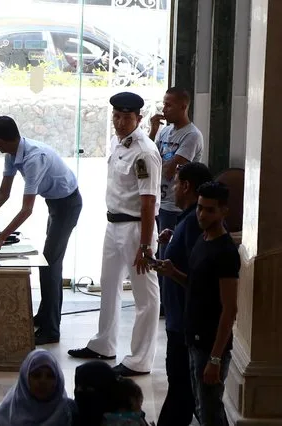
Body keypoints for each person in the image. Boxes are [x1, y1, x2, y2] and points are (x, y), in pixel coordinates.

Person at [68, 92, 162, 377]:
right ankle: (103, 344)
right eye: (116, 117)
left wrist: (145, 245)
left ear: (139, 118)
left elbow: (148, 201)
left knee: (145, 296)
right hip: (114, 225)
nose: (120, 123)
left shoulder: (144, 152)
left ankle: (140, 359)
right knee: (109, 285)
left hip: (136, 228)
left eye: (126, 118)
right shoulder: (118, 143)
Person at [0, 116, 82, 345]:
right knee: (50, 263)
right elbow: (3, 194)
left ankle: (51, 329)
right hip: (54, 202)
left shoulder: (33, 159)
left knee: (50, 263)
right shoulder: (11, 154)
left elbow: (26, 209)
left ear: (1, 140)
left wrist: (1, 238)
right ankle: (44, 315)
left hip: (68, 204)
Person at [157, 182, 239, 426]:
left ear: (224, 211)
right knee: (204, 408)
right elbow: (196, 286)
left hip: (209, 346)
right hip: (193, 339)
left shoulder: (225, 252)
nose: (202, 215)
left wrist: (215, 358)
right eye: (200, 208)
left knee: (209, 411)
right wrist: (172, 273)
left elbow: (229, 309)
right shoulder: (203, 240)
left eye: (210, 210)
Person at [154, 162, 212, 426]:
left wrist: (172, 272)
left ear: (186, 186)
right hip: (178, 320)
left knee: (182, 389)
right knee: (180, 388)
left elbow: (200, 281)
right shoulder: (185, 222)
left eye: (176, 183)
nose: (173, 189)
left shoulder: (192, 224)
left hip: (185, 324)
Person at [149, 88, 203, 315]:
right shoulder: (164, 132)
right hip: (160, 202)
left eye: (169, 105)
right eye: (163, 104)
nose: (164, 109)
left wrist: (155, 163)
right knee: (159, 254)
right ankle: (162, 302)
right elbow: (146, 154)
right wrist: (152, 130)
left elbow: (170, 171)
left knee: (170, 256)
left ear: (184, 106)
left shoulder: (191, 136)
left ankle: (169, 304)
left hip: (175, 205)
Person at [0, 349, 78, 426]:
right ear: (25, 378)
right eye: (36, 375)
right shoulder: (2, 417)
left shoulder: (68, 412)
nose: (43, 382)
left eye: (50, 376)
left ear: (58, 381)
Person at [73, 361, 118, 426]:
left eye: (88, 388)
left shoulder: (123, 421)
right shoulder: (66, 413)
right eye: (78, 386)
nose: (79, 391)